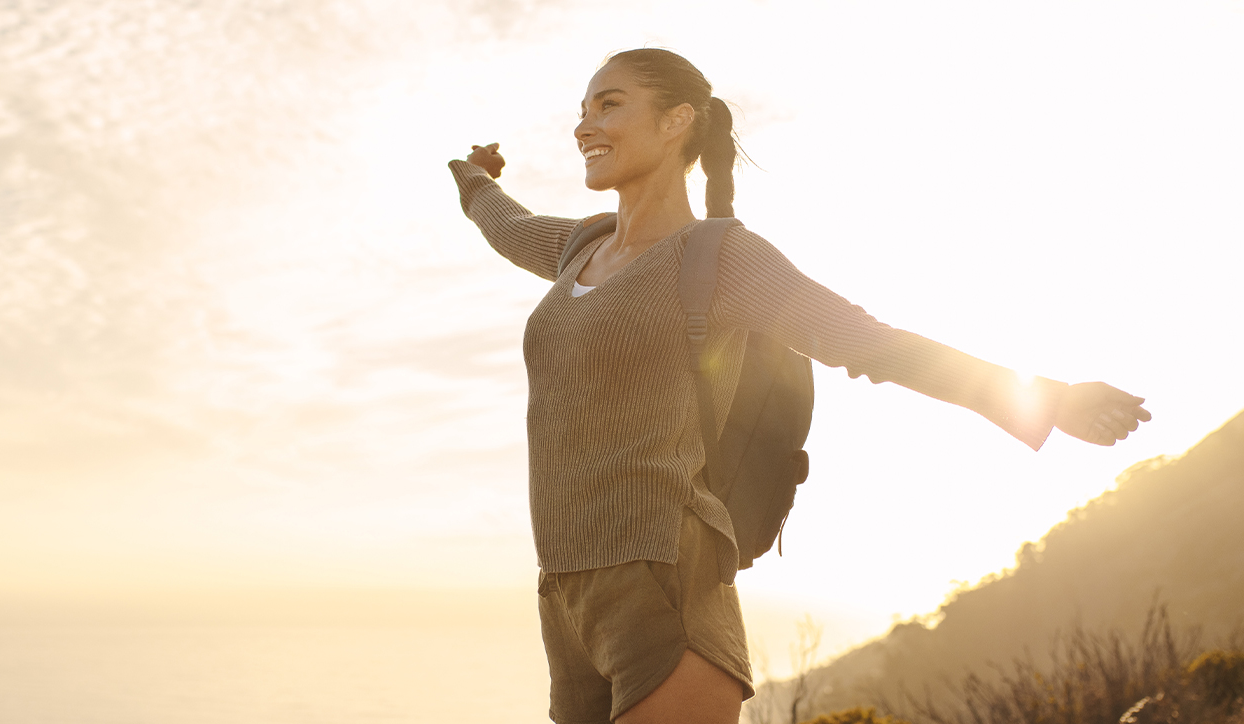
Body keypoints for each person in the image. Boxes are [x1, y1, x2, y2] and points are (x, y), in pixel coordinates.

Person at [446, 48, 1150, 724]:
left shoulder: (719, 256)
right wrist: (475, 180)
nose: (584, 126)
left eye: (609, 105)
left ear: (676, 120)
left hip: (665, 580)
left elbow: (866, 342)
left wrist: (1046, 396)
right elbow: (508, 226)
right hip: (565, 590)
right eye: (582, 109)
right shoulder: (579, 248)